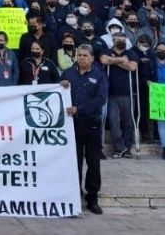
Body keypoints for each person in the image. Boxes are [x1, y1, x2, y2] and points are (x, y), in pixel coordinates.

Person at [60, 45, 107, 215]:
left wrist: (79, 108)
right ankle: (74, 196)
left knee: (93, 163)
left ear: (92, 58)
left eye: (85, 55)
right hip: (73, 124)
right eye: (79, 55)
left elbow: (100, 99)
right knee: (74, 163)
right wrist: (61, 85)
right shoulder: (67, 74)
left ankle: (92, 198)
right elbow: (58, 93)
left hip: (92, 124)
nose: (81, 58)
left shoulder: (99, 76)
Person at [100, 31, 139, 158]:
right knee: (114, 122)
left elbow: (132, 67)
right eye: (118, 39)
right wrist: (122, 60)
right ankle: (118, 148)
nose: (120, 41)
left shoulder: (131, 53)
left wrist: (114, 61)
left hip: (128, 94)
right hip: (111, 95)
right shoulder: (106, 51)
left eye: (122, 39)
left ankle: (127, 148)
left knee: (128, 122)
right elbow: (104, 60)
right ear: (113, 40)